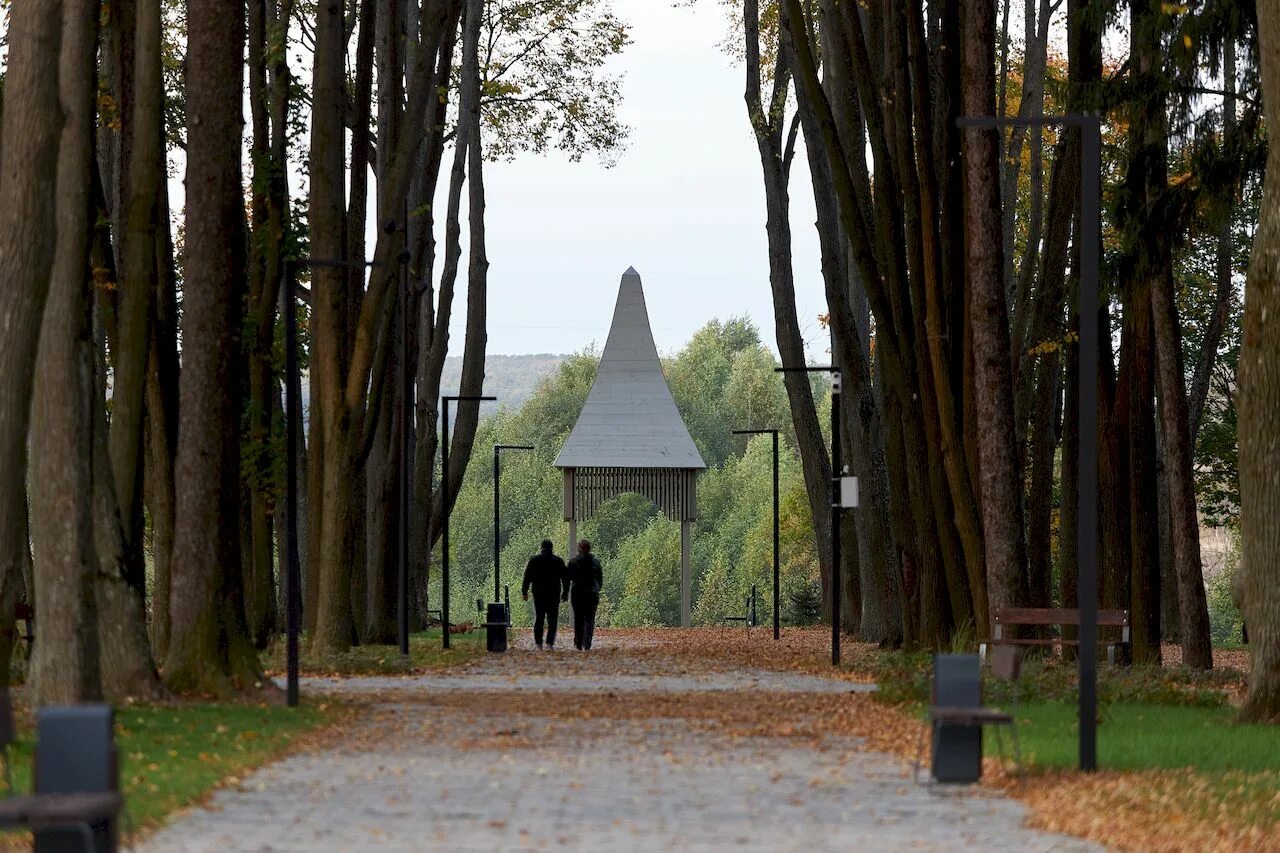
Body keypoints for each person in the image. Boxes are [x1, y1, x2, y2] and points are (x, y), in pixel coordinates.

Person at [522, 539, 568, 649]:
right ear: (552, 548)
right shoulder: (558, 561)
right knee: (552, 619)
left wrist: (524, 592)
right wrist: (565, 592)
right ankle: (549, 643)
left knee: (539, 618)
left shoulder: (534, 560)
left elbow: (527, 577)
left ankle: (538, 643)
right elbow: (565, 578)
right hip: (554, 594)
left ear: (541, 547)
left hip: (539, 594)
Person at [566, 539, 604, 651]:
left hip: (577, 593)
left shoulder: (573, 562)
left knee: (578, 618)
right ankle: (587, 643)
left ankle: (578, 641)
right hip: (591, 593)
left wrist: (565, 591)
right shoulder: (595, 563)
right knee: (590, 618)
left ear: (579, 548)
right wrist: (597, 589)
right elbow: (600, 579)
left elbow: (568, 578)